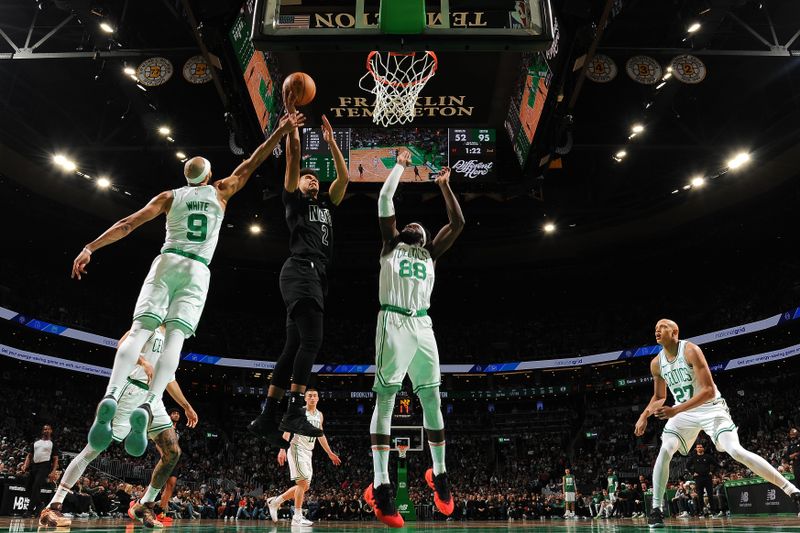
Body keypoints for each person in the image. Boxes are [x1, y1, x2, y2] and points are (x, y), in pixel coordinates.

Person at [72, 111, 301, 460]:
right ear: (208, 175)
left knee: (138, 330)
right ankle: (149, 404)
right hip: (197, 270)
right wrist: (282, 130)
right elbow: (253, 162)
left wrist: (90, 247)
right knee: (174, 339)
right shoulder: (221, 191)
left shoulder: (169, 197)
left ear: (186, 177)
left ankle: (111, 394)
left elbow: (127, 224)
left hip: (167, 261)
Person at [364, 150, 464, 528]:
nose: (415, 226)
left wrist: (444, 186)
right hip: (392, 320)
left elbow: (457, 221)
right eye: (411, 225)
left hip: (423, 326)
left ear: (425, 237)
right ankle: (382, 485)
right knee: (387, 397)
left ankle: (439, 475)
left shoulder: (431, 253)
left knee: (432, 397)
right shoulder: (390, 245)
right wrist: (401, 166)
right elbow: (385, 200)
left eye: (420, 227)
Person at [248, 96, 350, 441]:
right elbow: (293, 160)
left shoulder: (327, 204)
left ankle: (267, 415)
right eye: (309, 179)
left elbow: (344, 177)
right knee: (312, 340)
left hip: (313, 276)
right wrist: (292, 132)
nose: (314, 182)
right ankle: (293, 412)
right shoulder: (293, 200)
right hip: (301, 270)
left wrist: (333, 144)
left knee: (292, 347)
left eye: (316, 180)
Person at [634, 318, 800, 527]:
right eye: (655, 328)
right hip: (684, 414)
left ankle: (793, 492)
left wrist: (675, 409)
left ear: (675, 332)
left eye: (662, 327)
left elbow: (708, 391)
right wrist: (644, 415)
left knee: (735, 450)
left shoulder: (690, 350)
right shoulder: (656, 363)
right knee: (665, 449)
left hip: (710, 407)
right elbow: (659, 396)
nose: (657, 330)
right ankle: (656, 509)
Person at [38, 325, 199, 528]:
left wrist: (186, 406)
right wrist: (142, 361)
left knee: (173, 452)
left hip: (154, 398)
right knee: (93, 450)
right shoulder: (152, 325)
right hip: (131, 390)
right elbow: (123, 344)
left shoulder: (173, 344)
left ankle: (144, 505)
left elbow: (170, 380)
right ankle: (52, 507)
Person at [266, 389, 341, 526]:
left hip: (308, 452)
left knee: (304, 486)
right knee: (302, 483)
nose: (312, 398)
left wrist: (330, 453)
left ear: (318, 398)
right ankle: (297, 517)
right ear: (305, 398)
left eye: (315, 396)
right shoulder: (298, 412)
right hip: (296, 448)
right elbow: (287, 431)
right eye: (310, 396)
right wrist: (282, 449)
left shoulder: (319, 415)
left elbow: (320, 435)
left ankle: (275, 502)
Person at [22, 424, 59, 518]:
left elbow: (55, 459)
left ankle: (29, 511)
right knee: (28, 487)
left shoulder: (53, 443)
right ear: (42, 431)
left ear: (51, 431)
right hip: (34, 466)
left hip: (45, 466)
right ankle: (39, 504)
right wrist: (25, 465)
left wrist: (53, 471)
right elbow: (30, 455)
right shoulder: (36, 442)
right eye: (45, 429)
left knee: (36, 486)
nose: (46, 430)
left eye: (48, 429)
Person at [156, 408, 184, 524]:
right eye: (174, 413)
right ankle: (138, 503)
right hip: (165, 458)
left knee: (171, 486)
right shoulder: (166, 426)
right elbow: (157, 441)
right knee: (157, 484)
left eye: (178, 414)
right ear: (169, 415)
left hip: (175, 460)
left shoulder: (177, 431)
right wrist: (162, 454)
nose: (176, 415)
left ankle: (161, 513)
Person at [687, 442, 718, 517]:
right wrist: (693, 472)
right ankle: (701, 511)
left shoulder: (708, 456)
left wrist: (712, 472)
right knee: (700, 496)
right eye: (698, 447)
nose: (699, 448)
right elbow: (687, 466)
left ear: (703, 448)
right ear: (696, 449)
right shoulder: (693, 457)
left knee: (710, 495)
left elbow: (716, 464)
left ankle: (713, 511)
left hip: (707, 477)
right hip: (698, 478)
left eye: (700, 447)